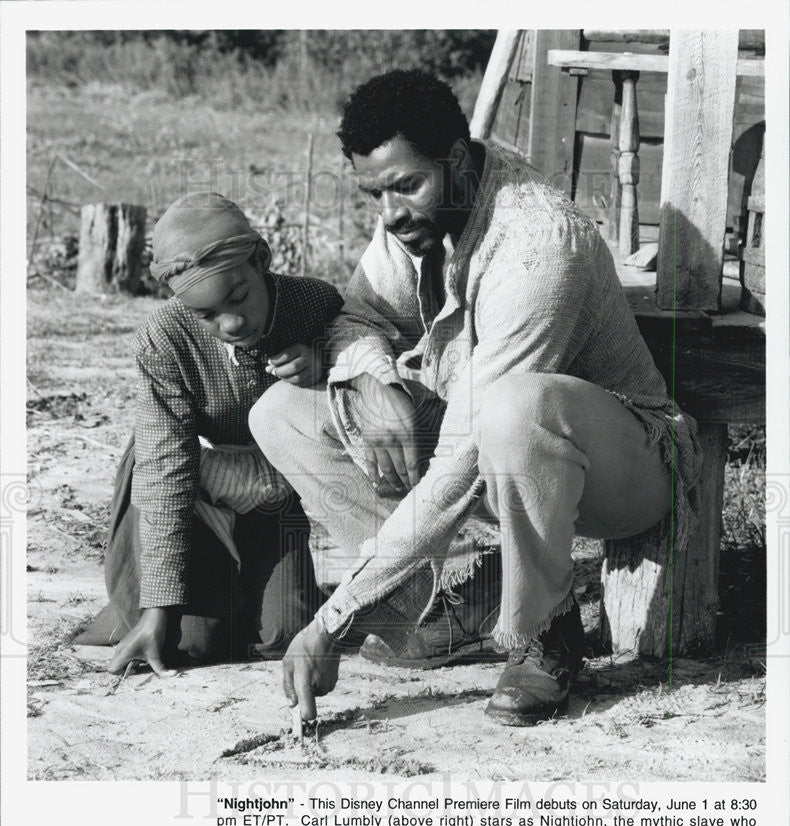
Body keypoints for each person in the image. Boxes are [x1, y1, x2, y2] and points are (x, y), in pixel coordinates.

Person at [249, 69, 702, 726]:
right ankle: (449, 600)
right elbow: (360, 317)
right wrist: (373, 380)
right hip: (493, 443)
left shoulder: (538, 245)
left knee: (515, 411)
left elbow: (465, 456)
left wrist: (334, 618)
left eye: (406, 186)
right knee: (285, 413)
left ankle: (543, 633)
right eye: (374, 194)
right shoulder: (411, 210)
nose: (391, 212)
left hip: (623, 467)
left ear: (455, 160)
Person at [76, 192, 343, 676]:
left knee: (281, 639)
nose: (231, 323)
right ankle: (144, 602)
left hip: (273, 489)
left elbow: (376, 354)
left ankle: (228, 586)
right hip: (189, 482)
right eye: (206, 314)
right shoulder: (164, 338)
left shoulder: (315, 304)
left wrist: (327, 364)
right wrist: (160, 606)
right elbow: (164, 468)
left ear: (261, 259)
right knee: (188, 643)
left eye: (238, 296)